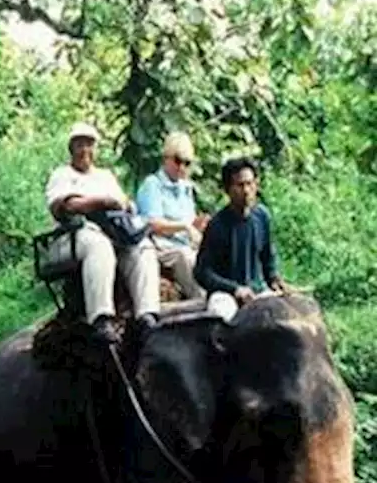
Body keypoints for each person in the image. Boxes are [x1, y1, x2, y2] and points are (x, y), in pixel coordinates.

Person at [44, 121, 161, 343]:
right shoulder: (62, 174)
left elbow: (125, 204)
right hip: (73, 236)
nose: (85, 151)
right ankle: (101, 318)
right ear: (71, 148)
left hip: (111, 232)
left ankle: (147, 314)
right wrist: (102, 202)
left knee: (142, 247)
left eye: (89, 145)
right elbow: (67, 206)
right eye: (80, 145)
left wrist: (123, 205)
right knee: (98, 245)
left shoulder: (105, 176)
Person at [195, 156, 285, 320]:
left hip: (257, 292)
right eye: (240, 185)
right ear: (228, 189)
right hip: (226, 296)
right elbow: (202, 272)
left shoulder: (262, 216)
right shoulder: (217, 225)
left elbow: (267, 256)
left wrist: (274, 279)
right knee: (220, 317)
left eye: (250, 184)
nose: (246, 191)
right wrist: (234, 289)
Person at [135, 131, 207, 300]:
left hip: (185, 243)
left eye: (186, 163)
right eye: (177, 161)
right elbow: (153, 225)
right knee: (186, 257)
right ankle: (204, 300)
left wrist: (197, 225)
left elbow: (190, 224)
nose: (181, 167)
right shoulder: (152, 185)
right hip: (162, 246)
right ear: (166, 158)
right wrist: (185, 227)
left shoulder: (186, 188)